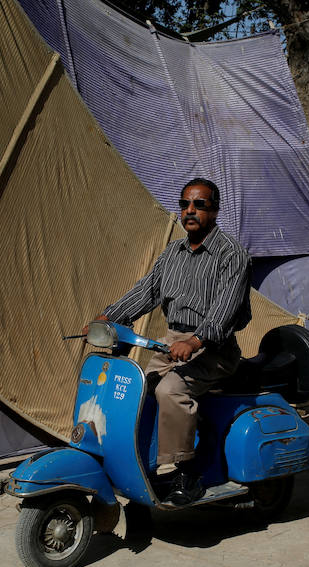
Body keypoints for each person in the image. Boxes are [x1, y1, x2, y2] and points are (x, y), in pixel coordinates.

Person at [89, 178, 252, 505]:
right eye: (185, 204)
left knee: (171, 390)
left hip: (214, 349)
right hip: (171, 343)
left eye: (199, 205)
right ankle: (142, 464)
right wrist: (109, 316)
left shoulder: (231, 254)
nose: (190, 211)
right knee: (138, 389)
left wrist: (195, 340)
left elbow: (225, 311)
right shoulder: (173, 252)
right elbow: (147, 290)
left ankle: (188, 473)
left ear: (215, 211)